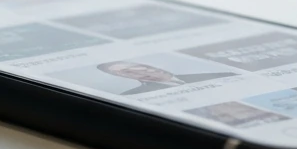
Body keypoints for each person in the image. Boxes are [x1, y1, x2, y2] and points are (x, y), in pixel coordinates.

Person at [98, 60, 237, 95]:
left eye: (141, 66)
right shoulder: (131, 97)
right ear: (121, 76)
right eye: (128, 71)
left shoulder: (224, 75)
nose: (142, 70)